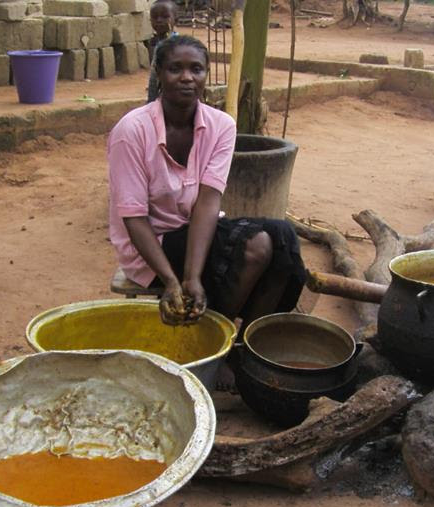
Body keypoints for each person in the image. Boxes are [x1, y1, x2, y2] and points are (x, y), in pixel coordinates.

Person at [108, 34, 306, 329]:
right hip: (152, 245)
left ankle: (244, 345)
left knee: (283, 239)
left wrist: (192, 276)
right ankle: (213, 333)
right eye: (175, 69)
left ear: (206, 74)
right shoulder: (132, 131)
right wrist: (174, 282)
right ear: (159, 73)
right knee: (258, 246)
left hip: (196, 233)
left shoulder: (221, 126)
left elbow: (208, 200)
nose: (187, 77)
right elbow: (134, 218)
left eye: (196, 69)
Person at [145, 0, 178, 103]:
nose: (159, 20)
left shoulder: (175, 44)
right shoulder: (155, 42)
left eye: (165, 17)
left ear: (175, 19)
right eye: (155, 17)